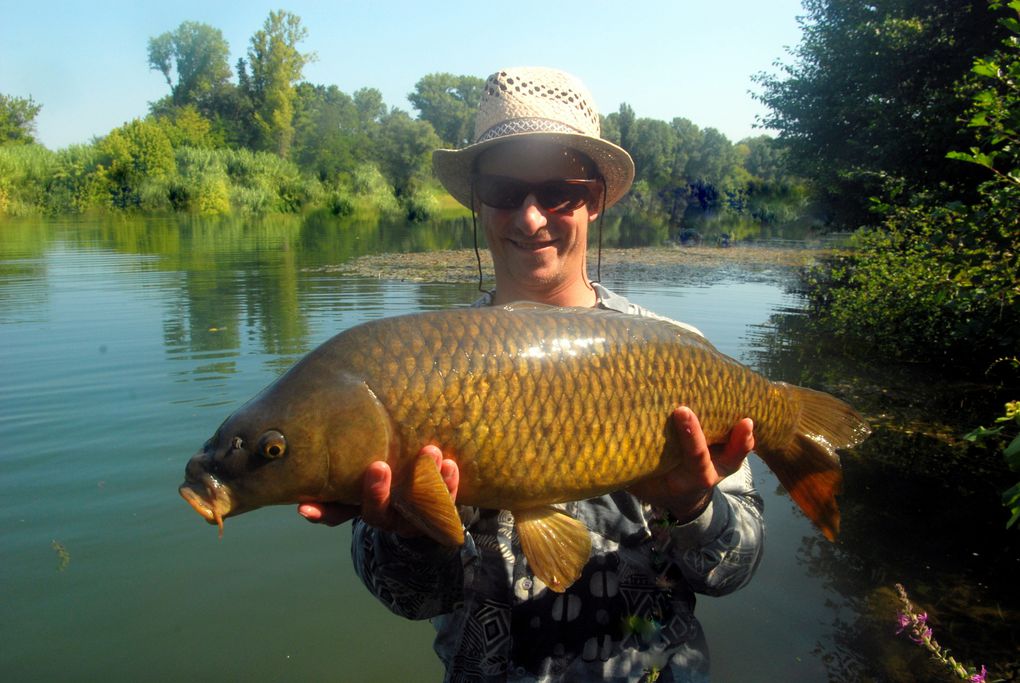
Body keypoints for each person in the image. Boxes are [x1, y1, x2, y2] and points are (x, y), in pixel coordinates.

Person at [299, 66, 764, 682]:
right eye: (503, 191)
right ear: (477, 201)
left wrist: (696, 506)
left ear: (595, 199)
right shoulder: (413, 369)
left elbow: (736, 569)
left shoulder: (678, 355)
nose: (530, 218)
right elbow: (412, 601)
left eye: (558, 191)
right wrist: (409, 533)